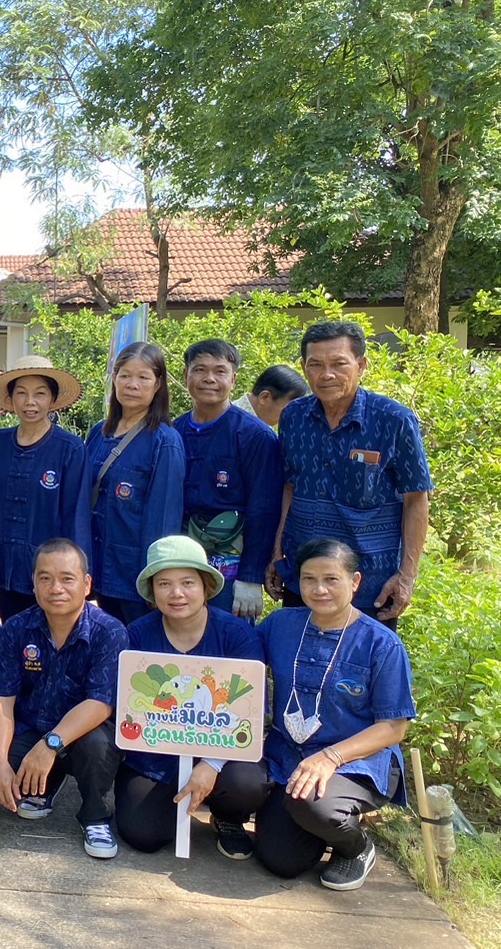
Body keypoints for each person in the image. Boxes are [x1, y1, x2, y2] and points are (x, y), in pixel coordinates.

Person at [253, 538, 415, 890]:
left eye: (331, 579)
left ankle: (355, 846)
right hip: (287, 754)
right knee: (280, 860)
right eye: (309, 579)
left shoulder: (382, 644)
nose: (319, 589)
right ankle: (316, 825)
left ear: (355, 582)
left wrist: (330, 757)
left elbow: (393, 727)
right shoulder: (280, 625)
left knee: (316, 808)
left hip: (355, 760)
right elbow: (238, 662)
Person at [0, 539, 127, 859]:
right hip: (32, 726)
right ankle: (45, 783)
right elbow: (2, 699)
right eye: (45, 578)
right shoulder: (17, 628)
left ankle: (95, 815)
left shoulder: (110, 631)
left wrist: (49, 745)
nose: (56, 588)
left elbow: (100, 703)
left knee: (97, 745)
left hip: (83, 734)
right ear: (34, 583)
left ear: (87, 584)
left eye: (67, 578)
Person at [267, 322, 432, 624]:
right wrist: (276, 550)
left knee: (362, 667)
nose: (326, 374)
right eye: (315, 364)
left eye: (339, 363)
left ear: (361, 365)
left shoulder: (394, 420)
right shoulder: (293, 416)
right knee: (297, 663)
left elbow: (417, 499)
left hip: (370, 584)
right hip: (303, 575)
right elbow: (289, 484)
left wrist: (407, 576)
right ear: (304, 368)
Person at [114, 535, 267, 859]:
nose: (177, 593)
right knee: (143, 833)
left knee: (247, 784)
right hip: (156, 755)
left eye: (187, 582)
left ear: (206, 587)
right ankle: (172, 807)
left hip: (224, 757)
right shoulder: (138, 635)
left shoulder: (237, 636)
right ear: (153, 591)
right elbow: (129, 706)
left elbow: (250, 712)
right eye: (164, 584)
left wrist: (210, 763)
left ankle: (228, 817)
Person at [75, 342, 185, 625]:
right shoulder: (99, 433)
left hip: (135, 575)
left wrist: (154, 577)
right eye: (124, 375)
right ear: (114, 378)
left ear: (158, 383)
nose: (132, 385)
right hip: (98, 566)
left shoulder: (164, 440)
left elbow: (164, 517)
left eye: (143, 377)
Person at [173, 340, 282, 618]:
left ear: (233, 380)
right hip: (180, 563)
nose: (209, 379)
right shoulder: (173, 431)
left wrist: (250, 576)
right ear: (186, 375)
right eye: (199, 370)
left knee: (229, 653)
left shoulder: (255, 436)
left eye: (219, 371)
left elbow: (264, 509)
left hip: (233, 567)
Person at [0, 356, 86, 620]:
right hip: (3, 565)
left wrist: (76, 573)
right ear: (11, 399)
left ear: (52, 399)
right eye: (22, 393)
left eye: (40, 394)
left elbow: (76, 516)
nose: (30, 402)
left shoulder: (69, 448)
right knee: (12, 639)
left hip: (51, 576)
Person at [234, 364, 309, 430]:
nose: (292, 417)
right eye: (290, 409)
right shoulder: (232, 422)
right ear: (265, 397)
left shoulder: (260, 424)